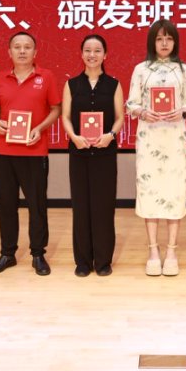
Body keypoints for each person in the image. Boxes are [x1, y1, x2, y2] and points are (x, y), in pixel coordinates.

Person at [0, 32, 62, 276]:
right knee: (5, 205)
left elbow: (56, 109)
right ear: (9, 52)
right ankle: (7, 253)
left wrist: (40, 128)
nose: (22, 51)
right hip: (4, 152)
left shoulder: (46, 77)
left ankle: (38, 254)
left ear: (35, 52)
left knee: (36, 205)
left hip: (34, 151)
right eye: (17, 47)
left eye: (27, 47)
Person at [126, 19, 186, 277]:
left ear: (175, 42)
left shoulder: (183, 70)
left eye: (169, 38)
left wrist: (183, 111)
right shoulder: (141, 70)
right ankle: (153, 251)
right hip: (149, 139)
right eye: (159, 39)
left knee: (174, 193)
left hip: (174, 139)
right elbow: (131, 104)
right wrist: (143, 112)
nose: (164, 43)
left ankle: (171, 251)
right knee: (150, 193)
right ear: (152, 42)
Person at [61, 34, 124, 278]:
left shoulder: (114, 85)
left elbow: (119, 117)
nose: (92, 55)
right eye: (88, 50)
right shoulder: (72, 85)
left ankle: (103, 260)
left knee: (103, 206)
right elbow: (66, 116)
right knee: (81, 205)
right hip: (78, 151)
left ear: (105, 55)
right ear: (81, 54)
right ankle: (83, 261)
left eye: (97, 50)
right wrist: (74, 137)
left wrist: (110, 135)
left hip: (105, 151)